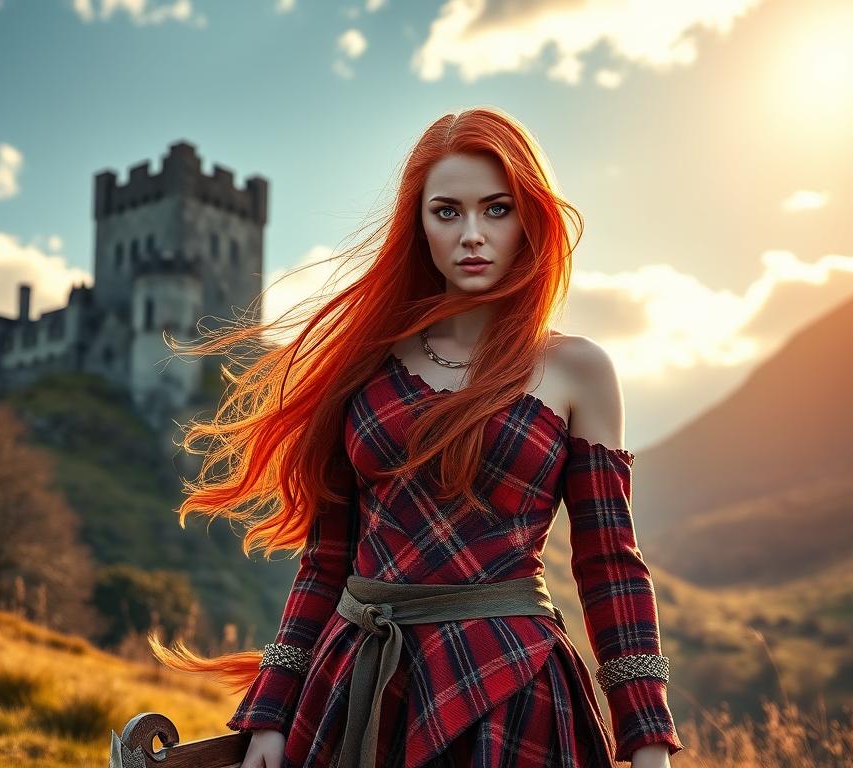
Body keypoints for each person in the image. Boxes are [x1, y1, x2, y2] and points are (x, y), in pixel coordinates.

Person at [150, 106, 685, 767]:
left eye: (496, 209)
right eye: (446, 212)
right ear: (418, 225)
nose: (472, 235)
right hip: (361, 684)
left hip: (512, 692)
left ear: (529, 219)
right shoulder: (361, 364)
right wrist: (271, 713)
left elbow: (609, 565)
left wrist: (648, 736)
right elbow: (326, 560)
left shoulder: (578, 370)